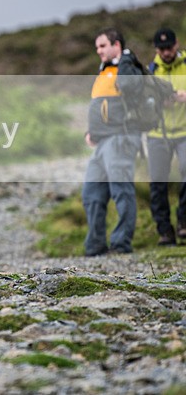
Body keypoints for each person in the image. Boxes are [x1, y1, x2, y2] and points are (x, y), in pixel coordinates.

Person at [82, 28, 145, 256]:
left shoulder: (128, 68)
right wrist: (92, 132)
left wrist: (126, 59)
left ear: (116, 44)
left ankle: (121, 244)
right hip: (102, 142)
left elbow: (129, 88)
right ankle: (95, 246)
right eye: (97, 47)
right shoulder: (105, 71)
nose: (98, 51)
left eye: (102, 46)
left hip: (121, 137)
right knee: (91, 193)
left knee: (121, 190)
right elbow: (101, 107)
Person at [146, 27, 186, 245]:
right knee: (157, 183)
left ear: (176, 44)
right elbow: (141, 102)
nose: (166, 52)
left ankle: (184, 222)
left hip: (184, 132)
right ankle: (164, 231)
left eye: (169, 47)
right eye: (161, 49)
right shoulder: (150, 71)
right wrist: (159, 102)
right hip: (157, 134)